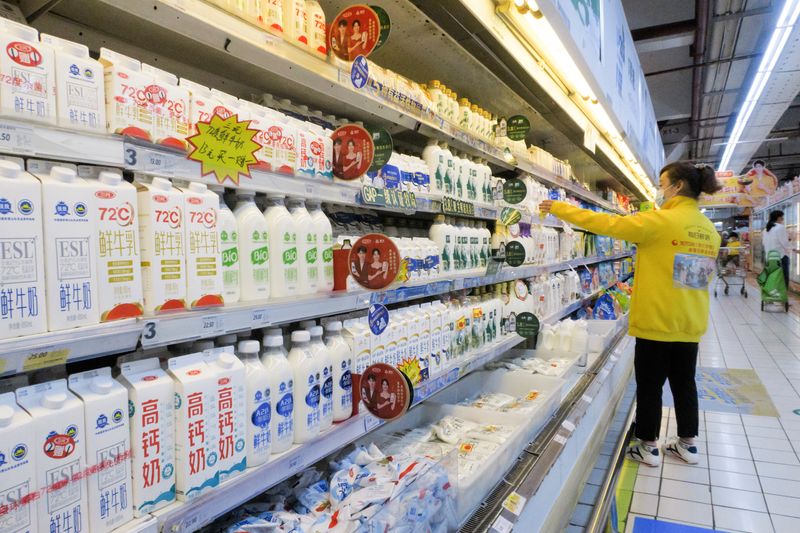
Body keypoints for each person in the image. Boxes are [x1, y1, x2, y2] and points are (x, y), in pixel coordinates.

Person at [540, 162, 722, 467]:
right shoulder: (708, 232)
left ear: (677, 186)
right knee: (685, 383)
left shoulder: (659, 222)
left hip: (655, 323)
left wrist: (560, 208)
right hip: (690, 324)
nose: (660, 191)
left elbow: (606, 225)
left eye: (663, 184)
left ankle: (648, 446)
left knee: (650, 386)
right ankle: (688, 444)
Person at [762, 210, 795, 289]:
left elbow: (764, 243)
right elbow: (785, 243)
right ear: (779, 217)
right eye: (782, 217)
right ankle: (782, 296)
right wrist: (794, 249)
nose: (783, 220)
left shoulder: (766, 229)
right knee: (783, 277)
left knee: (773, 276)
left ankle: (771, 294)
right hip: (781, 256)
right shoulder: (780, 227)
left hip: (769, 257)